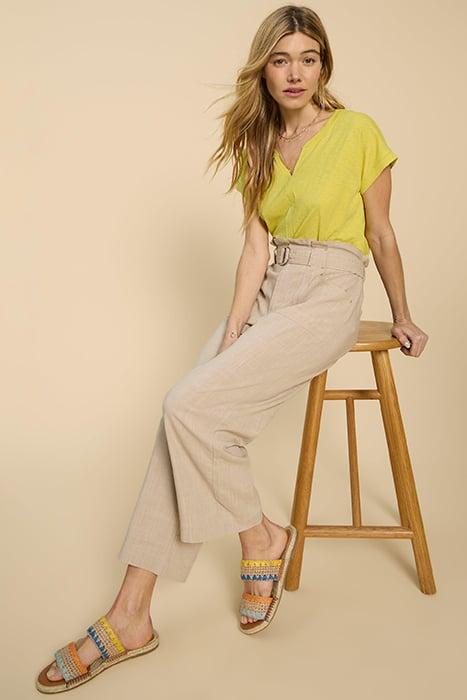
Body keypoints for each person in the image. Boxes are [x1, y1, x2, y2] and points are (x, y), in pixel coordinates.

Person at [35, 4, 429, 693]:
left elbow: (381, 233)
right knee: (180, 420)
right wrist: (233, 328)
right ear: (263, 69)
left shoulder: (357, 131)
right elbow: (254, 247)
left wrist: (402, 315)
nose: (295, 72)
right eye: (281, 59)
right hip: (273, 289)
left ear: (324, 65)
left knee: (184, 406)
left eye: (308, 58)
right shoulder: (257, 143)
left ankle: (260, 537)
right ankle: (132, 614)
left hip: (330, 292)